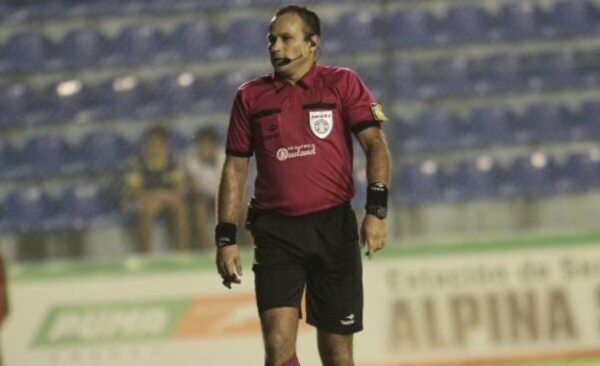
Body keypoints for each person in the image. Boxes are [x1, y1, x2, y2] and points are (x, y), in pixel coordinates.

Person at [215, 5, 391, 366]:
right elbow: (234, 169)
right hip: (275, 233)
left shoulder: (343, 83)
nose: (275, 47)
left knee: (337, 354)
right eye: (271, 39)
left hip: (334, 229)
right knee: (277, 348)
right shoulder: (249, 96)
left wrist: (376, 211)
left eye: (285, 38)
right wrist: (225, 237)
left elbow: (375, 145)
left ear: (313, 43)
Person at [124, 125, 190, 252]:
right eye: (151, 143)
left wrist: (160, 197)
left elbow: (177, 189)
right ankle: (145, 253)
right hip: (141, 201)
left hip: (165, 199)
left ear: (165, 144)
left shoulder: (172, 161)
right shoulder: (136, 162)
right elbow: (136, 191)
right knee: (148, 209)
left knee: (181, 208)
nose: (154, 146)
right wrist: (158, 197)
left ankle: (183, 252)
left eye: (158, 143)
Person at [184, 126, 225, 250]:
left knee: (244, 206)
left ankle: (250, 247)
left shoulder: (223, 156)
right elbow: (194, 186)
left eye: (210, 143)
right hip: (201, 197)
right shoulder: (191, 156)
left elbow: (228, 183)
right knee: (200, 207)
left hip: (222, 196)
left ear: (215, 145)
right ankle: (207, 249)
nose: (206, 147)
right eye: (203, 143)